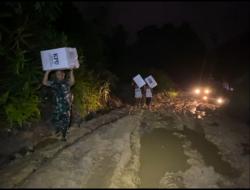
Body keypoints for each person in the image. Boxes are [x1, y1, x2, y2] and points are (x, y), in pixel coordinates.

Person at [42, 69, 75, 141]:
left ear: (64, 75)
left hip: (66, 107)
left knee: (66, 121)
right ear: (56, 75)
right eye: (57, 74)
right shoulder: (54, 83)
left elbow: (72, 81)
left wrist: (71, 71)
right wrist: (47, 72)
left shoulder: (66, 83)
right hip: (57, 107)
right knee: (56, 121)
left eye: (61, 73)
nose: (59, 75)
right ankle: (57, 133)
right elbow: (44, 82)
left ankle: (64, 135)